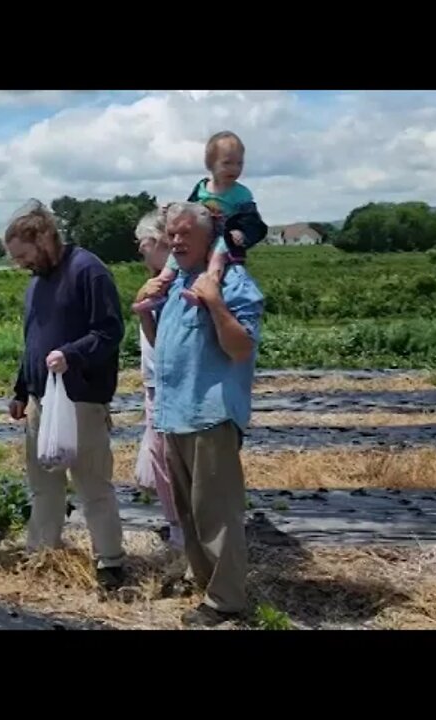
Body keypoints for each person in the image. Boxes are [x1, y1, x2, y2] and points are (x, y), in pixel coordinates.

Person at [138, 201, 264, 627]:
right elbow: (162, 343)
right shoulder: (175, 282)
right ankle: (205, 581)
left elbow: (241, 347)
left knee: (217, 512)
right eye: (171, 234)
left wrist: (214, 304)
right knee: (190, 512)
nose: (175, 241)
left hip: (210, 414)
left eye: (184, 234)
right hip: (175, 412)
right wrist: (145, 307)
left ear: (208, 237)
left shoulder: (232, 283)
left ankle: (226, 600)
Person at [4, 199, 128, 591]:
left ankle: (110, 561)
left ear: (43, 238)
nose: (21, 264)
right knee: (43, 484)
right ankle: (43, 553)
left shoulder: (87, 271)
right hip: (43, 401)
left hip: (81, 400)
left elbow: (110, 332)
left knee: (92, 486)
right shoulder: (36, 283)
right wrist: (22, 388)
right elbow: (32, 342)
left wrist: (72, 354)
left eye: (23, 255)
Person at [132, 131, 268, 312]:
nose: (234, 169)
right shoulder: (202, 187)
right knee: (174, 258)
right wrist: (172, 209)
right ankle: (159, 293)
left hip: (222, 237)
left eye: (239, 163)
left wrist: (240, 232)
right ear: (210, 164)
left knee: (217, 255)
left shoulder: (242, 194)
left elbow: (251, 219)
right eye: (227, 163)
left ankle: (206, 288)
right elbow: (188, 208)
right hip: (200, 235)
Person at [132, 209, 182, 550]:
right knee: (160, 458)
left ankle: (180, 530)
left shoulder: (172, 284)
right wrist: (142, 304)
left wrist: (145, 304)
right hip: (157, 381)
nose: (140, 251)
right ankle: (178, 525)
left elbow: (161, 342)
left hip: (168, 384)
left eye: (141, 244)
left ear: (154, 241)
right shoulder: (158, 283)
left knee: (165, 460)